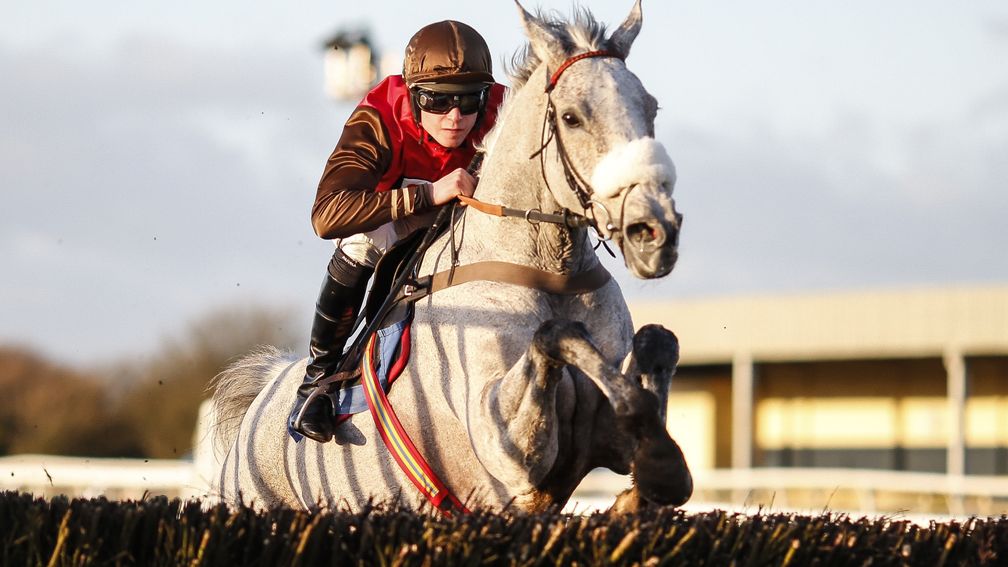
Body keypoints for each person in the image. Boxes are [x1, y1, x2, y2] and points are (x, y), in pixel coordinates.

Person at [290, 20, 506, 443]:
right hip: (401, 214)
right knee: (360, 243)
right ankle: (317, 382)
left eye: (468, 101)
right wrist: (427, 196)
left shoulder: (504, 109)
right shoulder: (379, 115)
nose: (456, 117)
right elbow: (326, 216)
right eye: (438, 101)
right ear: (411, 94)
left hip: (474, 219)